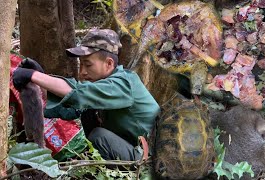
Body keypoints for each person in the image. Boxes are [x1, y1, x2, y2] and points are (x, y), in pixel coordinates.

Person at [13, 29, 160, 161]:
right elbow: (70, 105)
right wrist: (40, 81)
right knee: (88, 113)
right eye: (80, 64)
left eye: (88, 65)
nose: (82, 71)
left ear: (109, 64)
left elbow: (78, 92)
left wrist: (34, 76)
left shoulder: (124, 83)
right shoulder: (100, 87)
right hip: (131, 149)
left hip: (151, 160)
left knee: (99, 137)